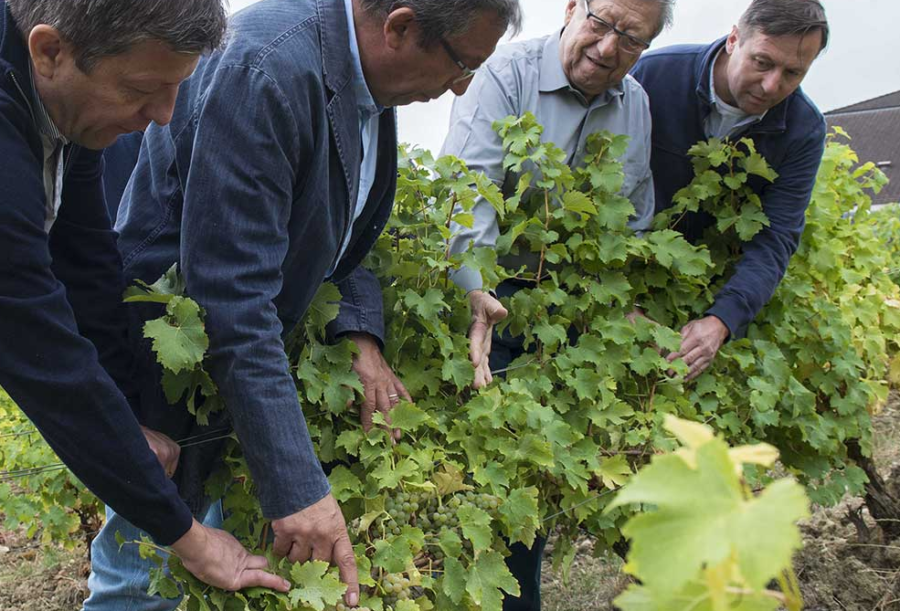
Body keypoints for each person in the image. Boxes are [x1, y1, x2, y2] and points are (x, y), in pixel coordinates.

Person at [84, 0, 523, 610]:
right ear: (399, 27)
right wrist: (296, 488)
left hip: (238, 372)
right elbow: (230, 298)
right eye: (460, 64)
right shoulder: (267, 71)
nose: (463, 86)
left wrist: (360, 335)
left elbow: (341, 232)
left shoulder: (368, 82)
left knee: (215, 556)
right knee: (146, 573)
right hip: (169, 372)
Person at [0, 0, 291, 594]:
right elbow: (41, 353)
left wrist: (132, 415)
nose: (163, 117)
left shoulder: (63, 112)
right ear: (50, 51)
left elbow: (86, 268)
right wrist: (186, 535)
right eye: (142, 89)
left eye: (175, 90)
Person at [441, 0, 673, 608]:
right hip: (490, 301)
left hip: (575, 318)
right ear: (573, 8)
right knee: (493, 478)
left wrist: (623, 305)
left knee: (536, 487)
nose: (607, 47)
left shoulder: (637, 105)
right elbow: (469, 193)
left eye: (631, 38)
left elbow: (633, 218)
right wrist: (476, 291)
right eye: (600, 22)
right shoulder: (505, 73)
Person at [632, 0, 829, 379]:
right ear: (734, 39)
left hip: (707, 288)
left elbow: (776, 238)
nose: (772, 85)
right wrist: (619, 299)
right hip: (624, 271)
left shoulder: (804, 130)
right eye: (762, 62)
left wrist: (721, 320)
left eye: (793, 73)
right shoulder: (654, 76)